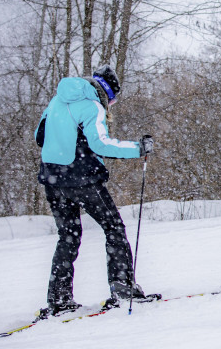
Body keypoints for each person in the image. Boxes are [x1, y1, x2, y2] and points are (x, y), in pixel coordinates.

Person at [34, 65, 155, 318]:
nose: (112, 104)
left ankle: (59, 298)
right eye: (113, 99)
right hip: (82, 180)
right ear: (108, 92)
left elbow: (39, 136)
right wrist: (138, 148)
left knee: (67, 237)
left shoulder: (56, 100)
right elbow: (101, 143)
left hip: (53, 180)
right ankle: (123, 287)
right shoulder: (92, 106)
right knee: (114, 228)